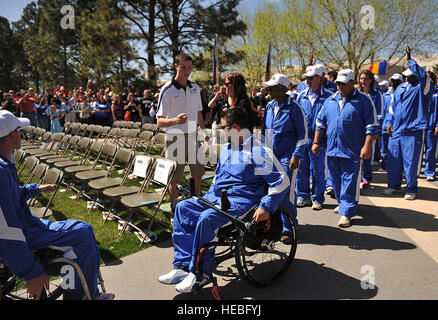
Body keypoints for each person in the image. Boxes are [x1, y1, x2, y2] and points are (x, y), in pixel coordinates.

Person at [158, 107, 290, 293]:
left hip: (242, 202)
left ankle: (200, 273)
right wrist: (207, 197)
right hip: (217, 197)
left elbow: (281, 181)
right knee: (182, 208)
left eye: (223, 127)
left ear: (235, 127)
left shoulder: (259, 151)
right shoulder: (228, 148)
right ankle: (181, 266)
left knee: (207, 218)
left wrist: (266, 206)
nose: (221, 131)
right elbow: (218, 178)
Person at [0, 110, 114, 300]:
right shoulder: (1, 172)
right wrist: (31, 271)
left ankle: (76, 290)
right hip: (25, 232)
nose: (22, 133)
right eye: (19, 130)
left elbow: (12, 196)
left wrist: (36, 188)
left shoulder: (5, 163)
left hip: (28, 225)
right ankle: (81, 296)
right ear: (11, 136)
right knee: (82, 234)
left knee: (78, 236)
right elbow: (6, 231)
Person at [313, 69, 378, 228]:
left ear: (351, 83)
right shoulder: (330, 100)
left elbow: (372, 126)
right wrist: (315, 142)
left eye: (343, 83)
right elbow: (320, 123)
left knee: (349, 181)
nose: (339, 86)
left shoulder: (364, 100)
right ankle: (343, 203)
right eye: (338, 83)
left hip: (352, 150)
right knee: (335, 181)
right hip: (333, 150)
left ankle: (347, 212)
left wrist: (367, 146)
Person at [262, 74, 307, 243]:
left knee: (286, 191)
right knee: (271, 189)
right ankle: (273, 225)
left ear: (283, 89)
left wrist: (296, 155)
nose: (269, 91)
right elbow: (266, 132)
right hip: (270, 156)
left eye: (272, 88)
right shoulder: (269, 107)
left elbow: (303, 135)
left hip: (288, 157)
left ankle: (289, 227)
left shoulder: (295, 108)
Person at [156, 52, 207, 204]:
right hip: (174, 137)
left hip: (194, 135)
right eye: (183, 67)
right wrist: (175, 121)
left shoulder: (195, 88)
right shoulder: (167, 90)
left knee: (198, 173)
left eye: (189, 67)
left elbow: (198, 112)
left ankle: (196, 203)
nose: (187, 71)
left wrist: (204, 131)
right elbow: (159, 122)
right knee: (175, 177)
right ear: (176, 66)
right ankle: (174, 208)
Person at [383, 46, 430, 200]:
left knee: (411, 162)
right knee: (394, 160)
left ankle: (411, 188)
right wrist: (389, 122)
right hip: (396, 130)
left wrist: (409, 60)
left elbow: (423, 76)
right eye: (407, 76)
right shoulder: (400, 88)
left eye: (411, 76)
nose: (408, 78)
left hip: (413, 130)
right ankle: (394, 185)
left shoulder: (422, 88)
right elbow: (392, 108)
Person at [295, 65, 335, 210]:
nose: (308, 80)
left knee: (318, 170)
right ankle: (303, 196)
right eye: (307, 78)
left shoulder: (329, 95)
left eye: (311, 78)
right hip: (303, 139)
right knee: (301, 170)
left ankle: (317, 198)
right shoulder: (301, 95)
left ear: (320, 77)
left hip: (319, 140)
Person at [358, 69, 384, 189]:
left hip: (370, 130)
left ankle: (366, 179)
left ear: (371, 80)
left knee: (368, 155)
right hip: (357, 130)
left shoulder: (377, 93)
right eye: (361, 78)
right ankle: (356, 177)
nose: (363, 81)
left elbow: (380, 113)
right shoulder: (356, 93)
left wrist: (375, 129)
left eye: (366, 79)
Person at [381, 74, 404, 171]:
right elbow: (384, 111)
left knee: (397, 150)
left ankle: (398, 167)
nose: (393, 82)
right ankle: (385, 164)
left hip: (398, 127)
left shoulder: (404, 94)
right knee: (385, 148)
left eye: (396, 81)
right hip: (385, 125)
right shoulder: (386, 95)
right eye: (392, 80)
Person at [424, 71, 437, 181]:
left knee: (430, 150)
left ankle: (430, 172)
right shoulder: (421, 91)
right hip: (419, 126)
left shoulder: (436, 94)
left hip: (431, 126)